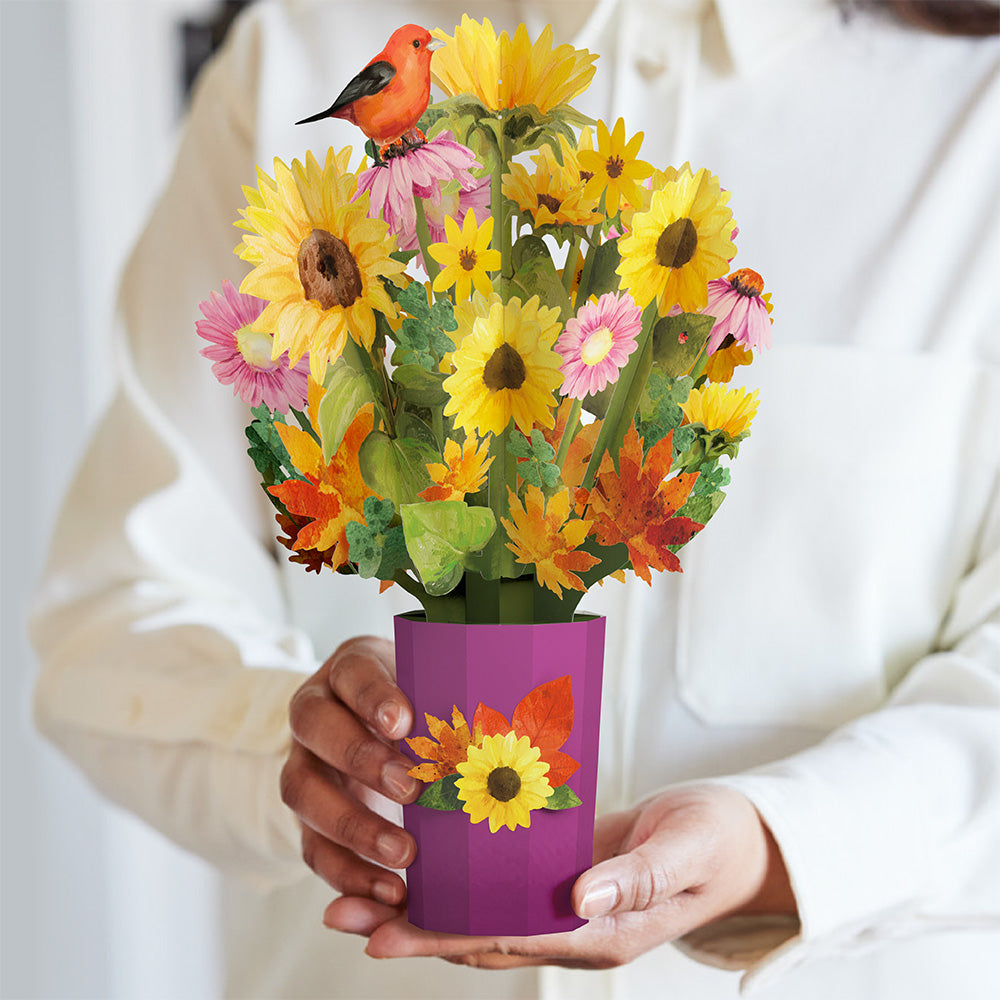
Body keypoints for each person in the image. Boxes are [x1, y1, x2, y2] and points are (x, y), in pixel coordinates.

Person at [31, 0, 1000, 997]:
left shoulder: (977, 110)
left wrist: (777, 842)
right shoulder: (301, 51)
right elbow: (114, 619)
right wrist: (311, 754)